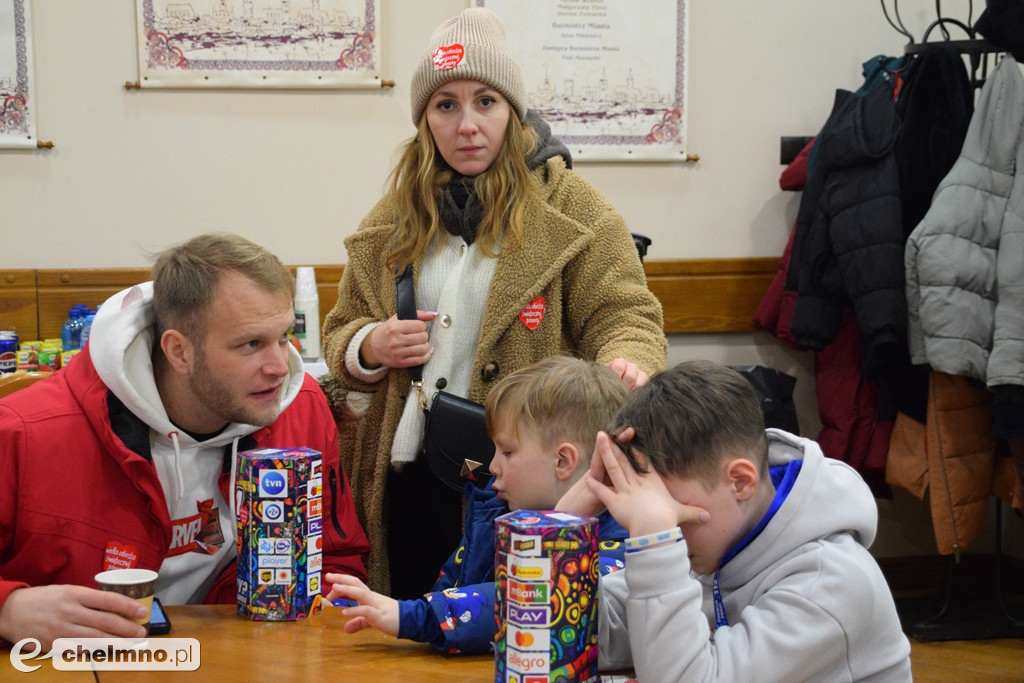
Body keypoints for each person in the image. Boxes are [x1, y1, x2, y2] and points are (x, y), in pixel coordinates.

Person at [321, 6, 667, 599]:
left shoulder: (573, 209)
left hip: (522, 476)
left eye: (486, 101)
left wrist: (628, 360)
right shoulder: (396, 214)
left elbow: (625, 315)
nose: (467, 125)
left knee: (511, 628)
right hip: (406, 475)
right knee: (407, 630)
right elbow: (341, 328)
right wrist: (370, 344)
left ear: (513, 109)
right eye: (445, 105)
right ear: (425, 118)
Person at [0, 233, 369, 651]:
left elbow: (337, 557)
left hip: (244, 658)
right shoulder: (26, 431)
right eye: (251, 344)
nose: (280, 367)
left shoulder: (300, 408)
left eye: (284, 336)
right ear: (178, 351)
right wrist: (7, 608)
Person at [558, 360, 913, 681]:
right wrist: (561, 525)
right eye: (658, 514)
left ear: (740, 481)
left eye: (672, 511)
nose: (668, 525)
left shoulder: (829, 585)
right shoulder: (718, 542)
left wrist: (656, 536)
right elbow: (578, 639)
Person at [324, 355, 629, 654]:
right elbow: (446, 594)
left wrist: (411, 617)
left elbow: (524, 602)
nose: (493, 465)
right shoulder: (492, 510)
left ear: (562, 460)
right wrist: (366, 608)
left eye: (507, 452)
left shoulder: (622, 541)